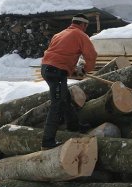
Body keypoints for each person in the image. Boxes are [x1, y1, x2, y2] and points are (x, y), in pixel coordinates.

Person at [41, 14, 97, 149]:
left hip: (46, 68)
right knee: (57, 104)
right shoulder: (81, 35)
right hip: (56, 71)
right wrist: (85, 70)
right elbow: (91, 55)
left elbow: (60, 54)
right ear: (83, 25)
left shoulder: (59, 34)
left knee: (65, 98)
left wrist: (71, 69)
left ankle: (74, 126)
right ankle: (47, 141)